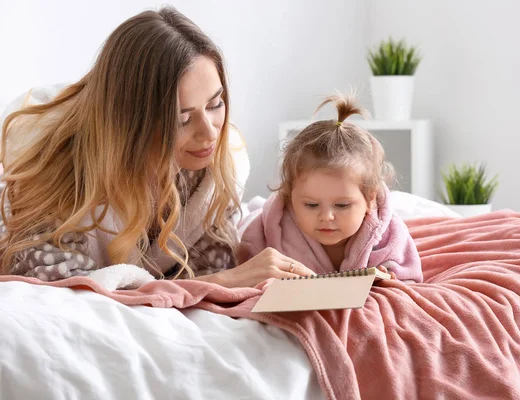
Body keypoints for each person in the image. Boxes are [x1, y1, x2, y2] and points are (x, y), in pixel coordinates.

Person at [0, 6, 313, 287]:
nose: (209, 134)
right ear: (130, 122)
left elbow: (207, 271)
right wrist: (225, 280)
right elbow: (57, 283)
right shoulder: (55, 163)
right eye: (181, 120)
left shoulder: (216, 166)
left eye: (215, 104)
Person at [238, 94, 423, 283]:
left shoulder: (388, 233)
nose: (326, 216)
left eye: (342, 205)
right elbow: (247, 272)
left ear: (369, 199)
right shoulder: (268, 230)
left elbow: (409, 279)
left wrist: (391, 283)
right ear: (289, 197)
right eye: (311, 205)